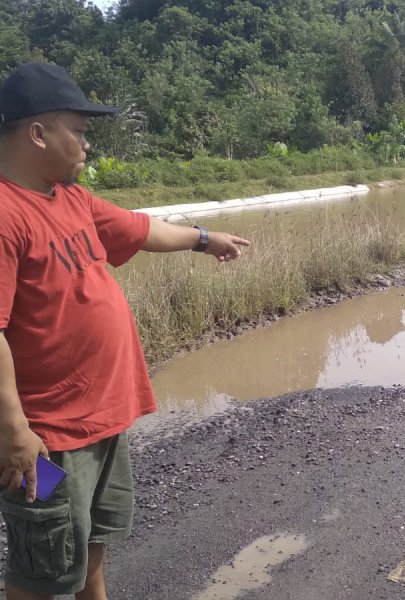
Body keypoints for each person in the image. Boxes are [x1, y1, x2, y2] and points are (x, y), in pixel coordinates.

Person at [0, 62, 250, 600]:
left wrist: (205, 238)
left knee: (92, 546)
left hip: (102, 423)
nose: (87, 146)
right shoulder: (4, 213)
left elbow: (141, 229)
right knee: (42, 568)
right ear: (38, 133)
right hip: (46, 444)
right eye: (80, 132)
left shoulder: (68, 197)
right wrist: (15, 432)